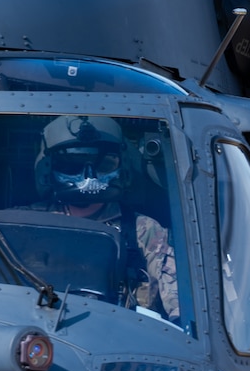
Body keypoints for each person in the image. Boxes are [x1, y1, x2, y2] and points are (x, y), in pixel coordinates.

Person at [35, 115, 181, 322]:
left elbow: (178, 304)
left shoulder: (143, 230)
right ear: (49, 168)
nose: (89, 175)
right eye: (71, 164)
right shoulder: (29, 221)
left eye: (104, 164)